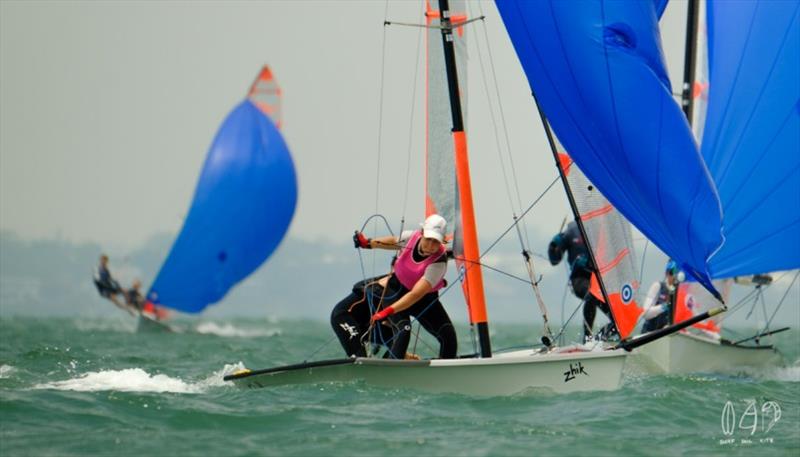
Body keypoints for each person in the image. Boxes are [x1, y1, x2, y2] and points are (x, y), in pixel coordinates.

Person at [330, 214, 457, 359]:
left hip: (423, 300)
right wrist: (369, 243)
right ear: (422, 233)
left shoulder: (439, 262)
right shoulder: (410, 237)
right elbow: (393, 241)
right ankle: (390, 367)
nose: (431, 246)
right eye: (428, 239)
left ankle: (444, 373)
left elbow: (416, 294)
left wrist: (388, 311)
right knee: (403, 330)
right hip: (396, 291)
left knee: (448, 336)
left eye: (436, 242)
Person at [548, 220, 614, 341]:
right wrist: (553, 246)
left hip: (599, 281)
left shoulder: (601, 229)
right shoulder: (571, 231)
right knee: (591, 295)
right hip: (579, 279)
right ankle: (587, 338)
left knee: (617, 318)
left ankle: (600, 339)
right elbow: (554, 261)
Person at [641, 260, 682, 333]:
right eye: (672, 272)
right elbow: (645, 313)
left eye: (677, 273)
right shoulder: (658, 286)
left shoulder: (681, 294)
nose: (674, 276)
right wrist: (665, 306)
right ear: (666, 273)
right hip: (649, 334)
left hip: (666, 337)